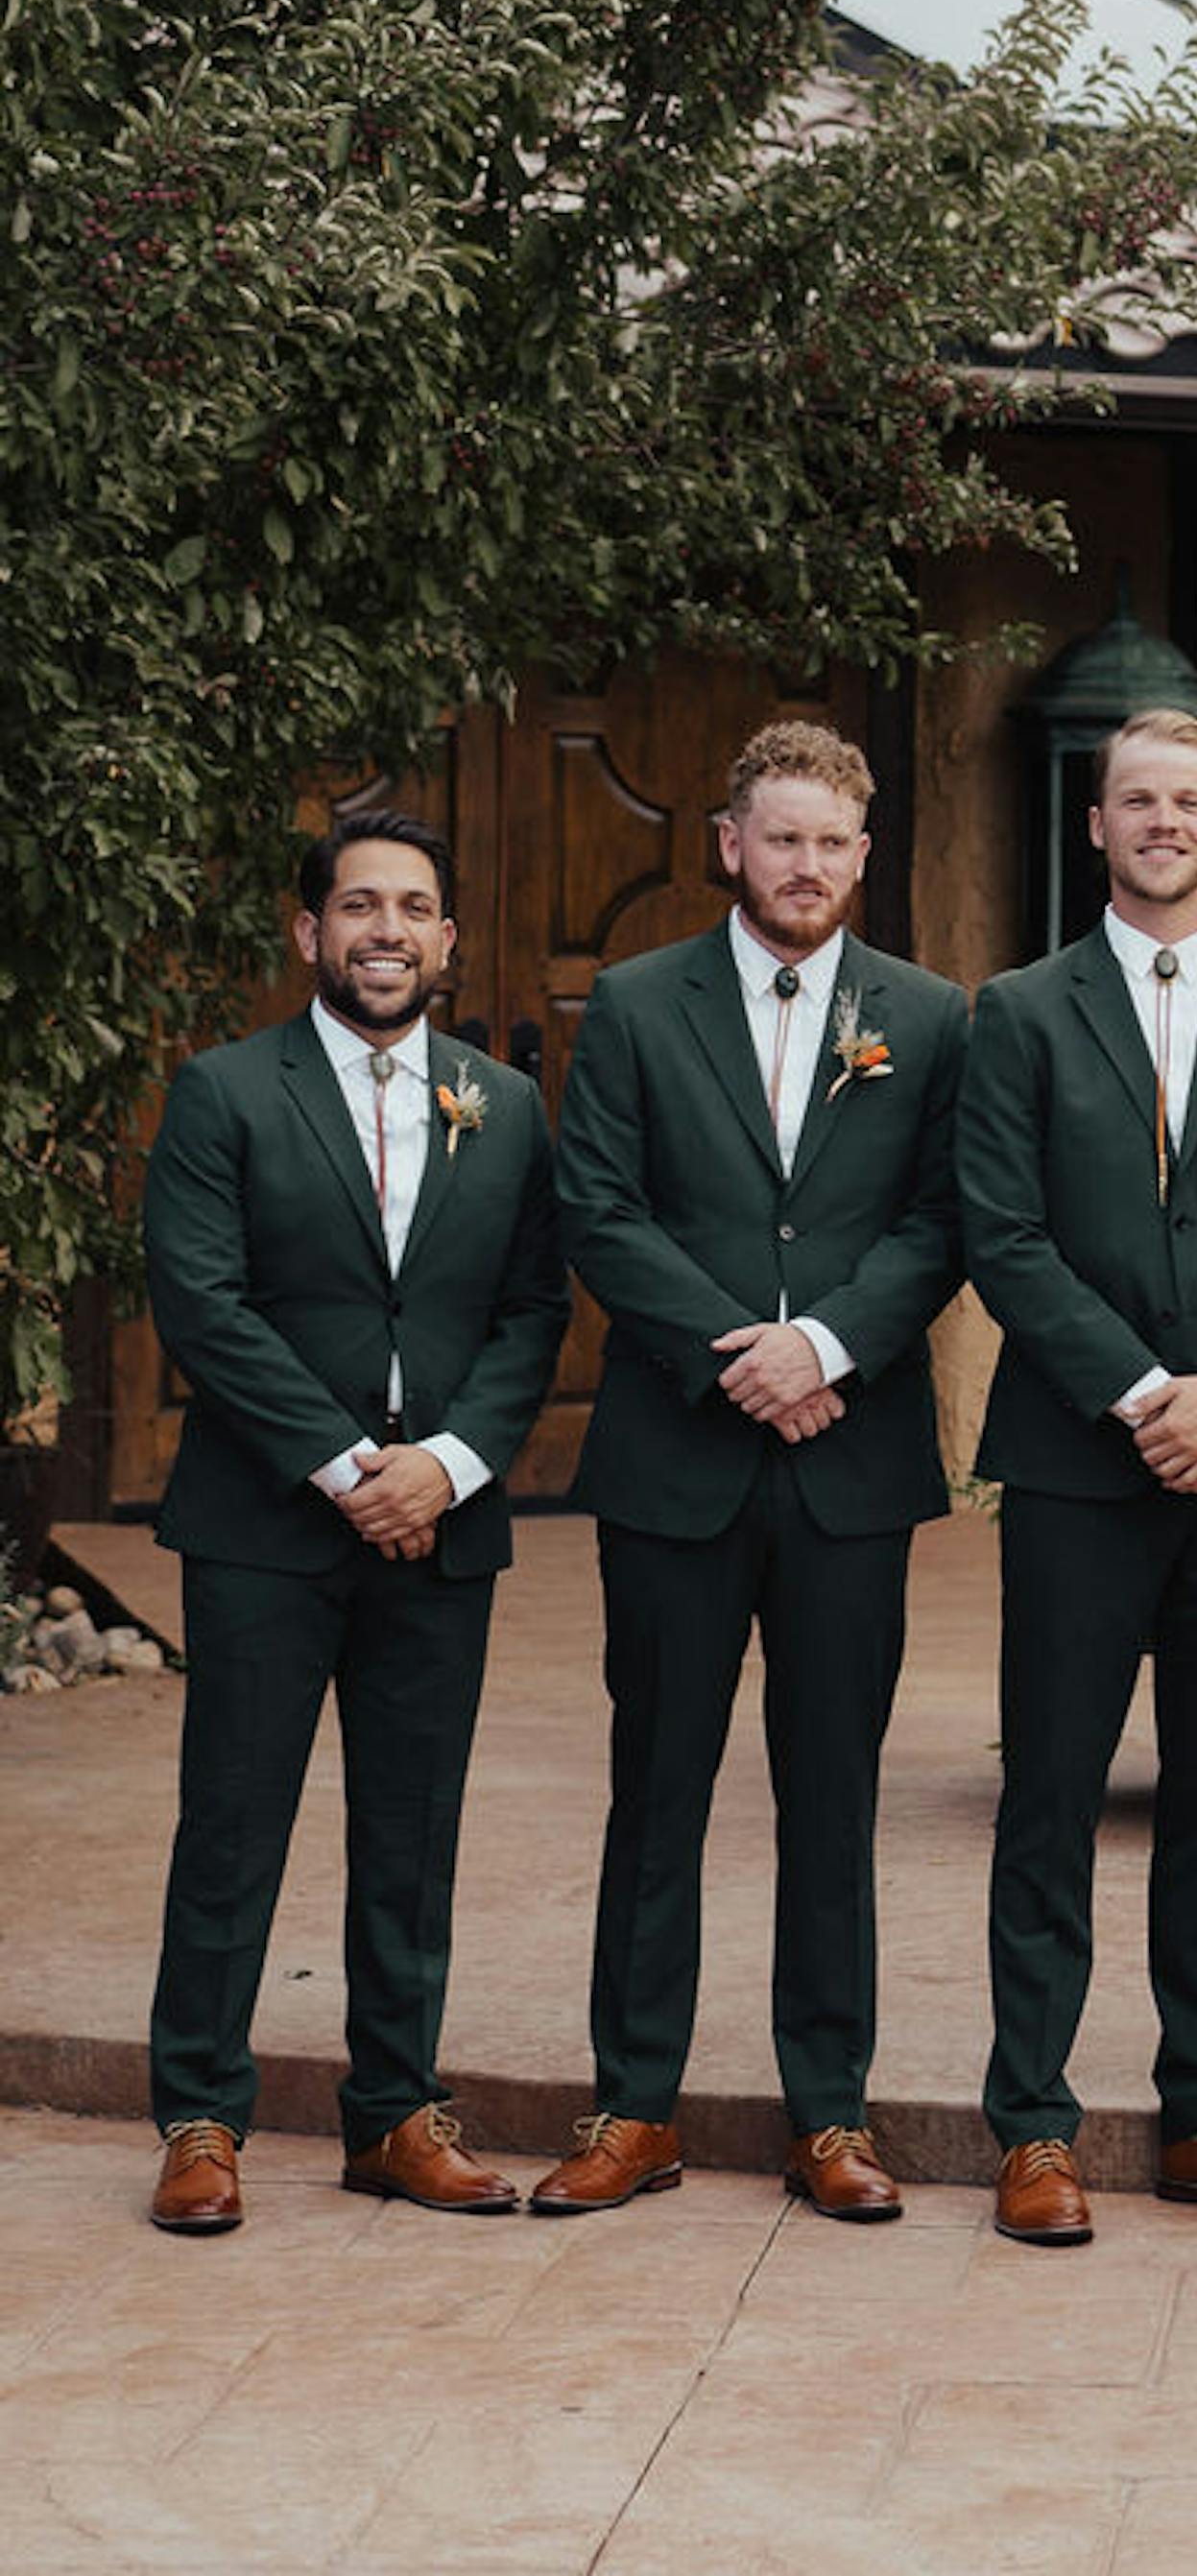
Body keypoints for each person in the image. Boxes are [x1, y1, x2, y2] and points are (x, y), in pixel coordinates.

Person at [536, 717, 966, 2220]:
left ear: (863, 854)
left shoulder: (927, 1013)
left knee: (833, 1790)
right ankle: (632, 2105)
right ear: (731, 844)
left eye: (834, 841)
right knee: (657, 1785)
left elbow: (943, 1217)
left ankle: (829, 2112)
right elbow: (599, 1206)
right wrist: (741, 1348)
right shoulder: (642, 1002)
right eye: (781, 837)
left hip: (850, 1462)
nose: (807, 865)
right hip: (678, 1457)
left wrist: (829, 1347)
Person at [960, 707, 1197, 2246]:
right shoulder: (1021, 1010)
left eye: (1190, 798)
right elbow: (1002, 1231)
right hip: (1079, 1460)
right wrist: (1141, 1393)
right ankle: (1034, 2121)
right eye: (1138, 798)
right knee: (1051, 1792)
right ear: (1099, 824)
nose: (1164, 820)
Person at [140, 810, 564, 2232]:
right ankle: (201, 2115)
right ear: (308, 929)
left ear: (448, 940)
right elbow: (206, 1301)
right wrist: (342, 1463)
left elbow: (532, 1310)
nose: (389, 929)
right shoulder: (224, 1092)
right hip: (266, 1522)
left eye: (416, 908)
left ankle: (394, 2112)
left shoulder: (502, 1105)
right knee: (231, 1822)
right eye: (360, 904)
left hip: (441, 1525)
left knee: (412, 1827)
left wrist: (444, 1463)